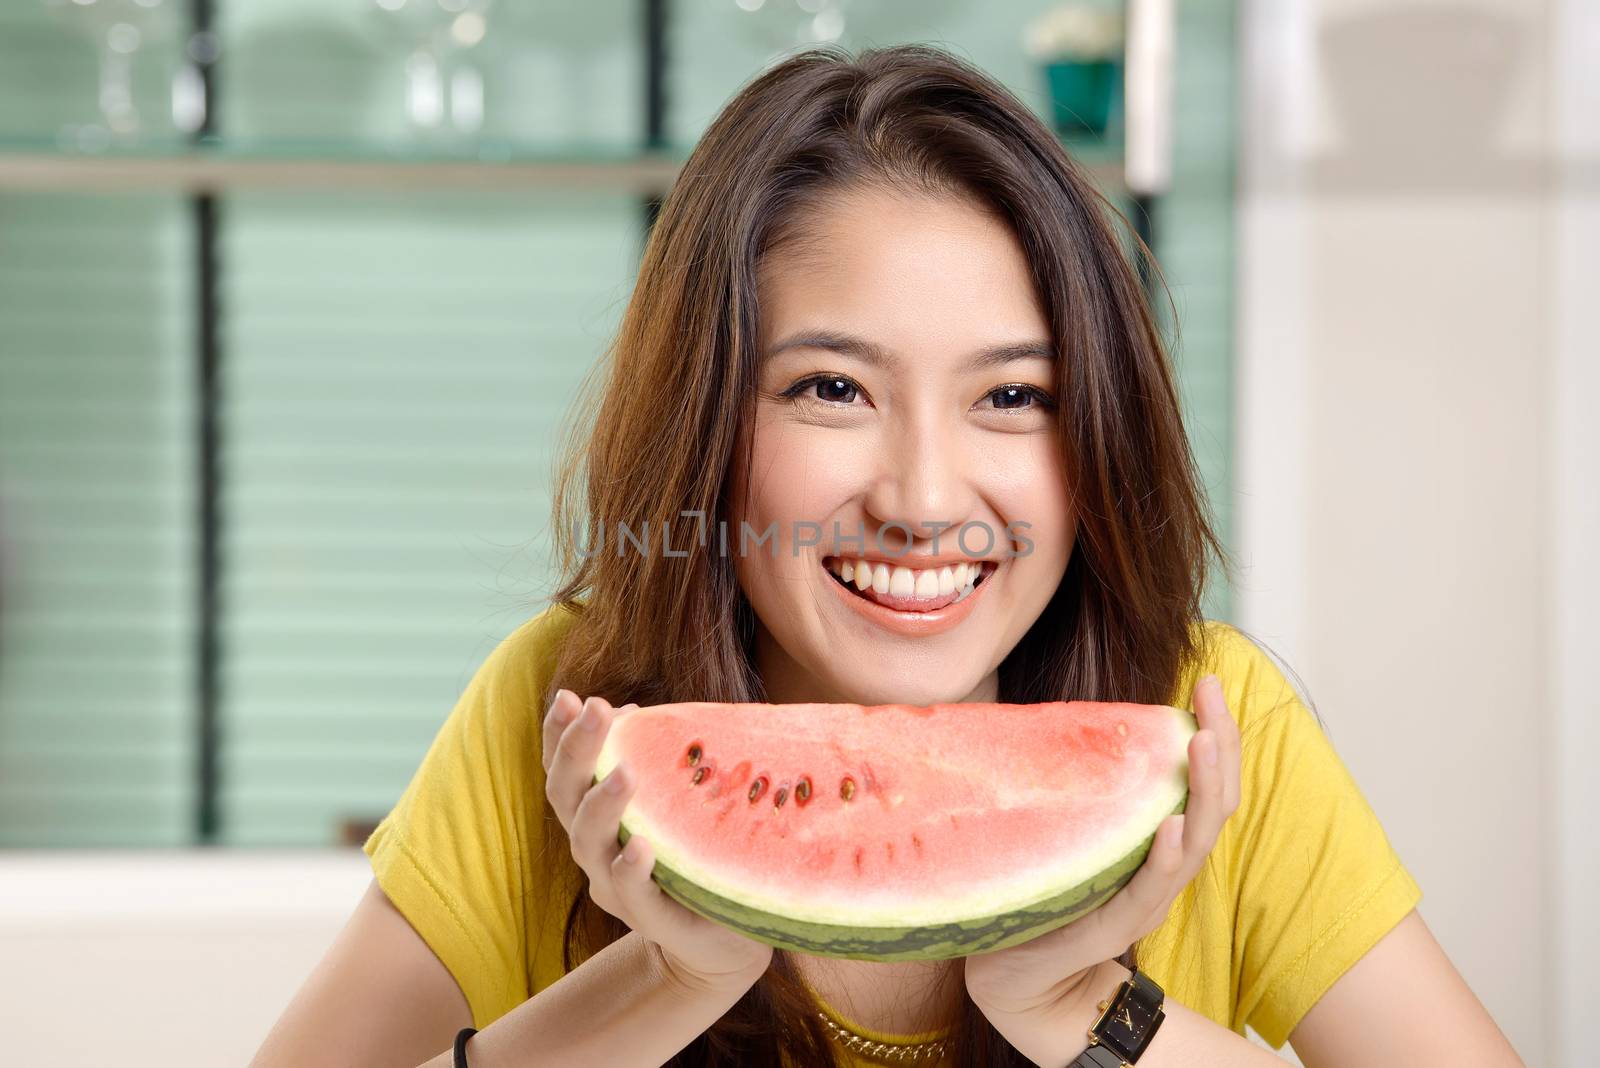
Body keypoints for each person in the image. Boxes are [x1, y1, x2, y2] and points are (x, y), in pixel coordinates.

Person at [249, 44, 1522, 1068]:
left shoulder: (1207, 727)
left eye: (1015, 398)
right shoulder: (568, 711)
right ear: (708, 425)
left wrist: (1094, 1022)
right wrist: (652, 985)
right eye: (832, 390)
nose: (920, 499)